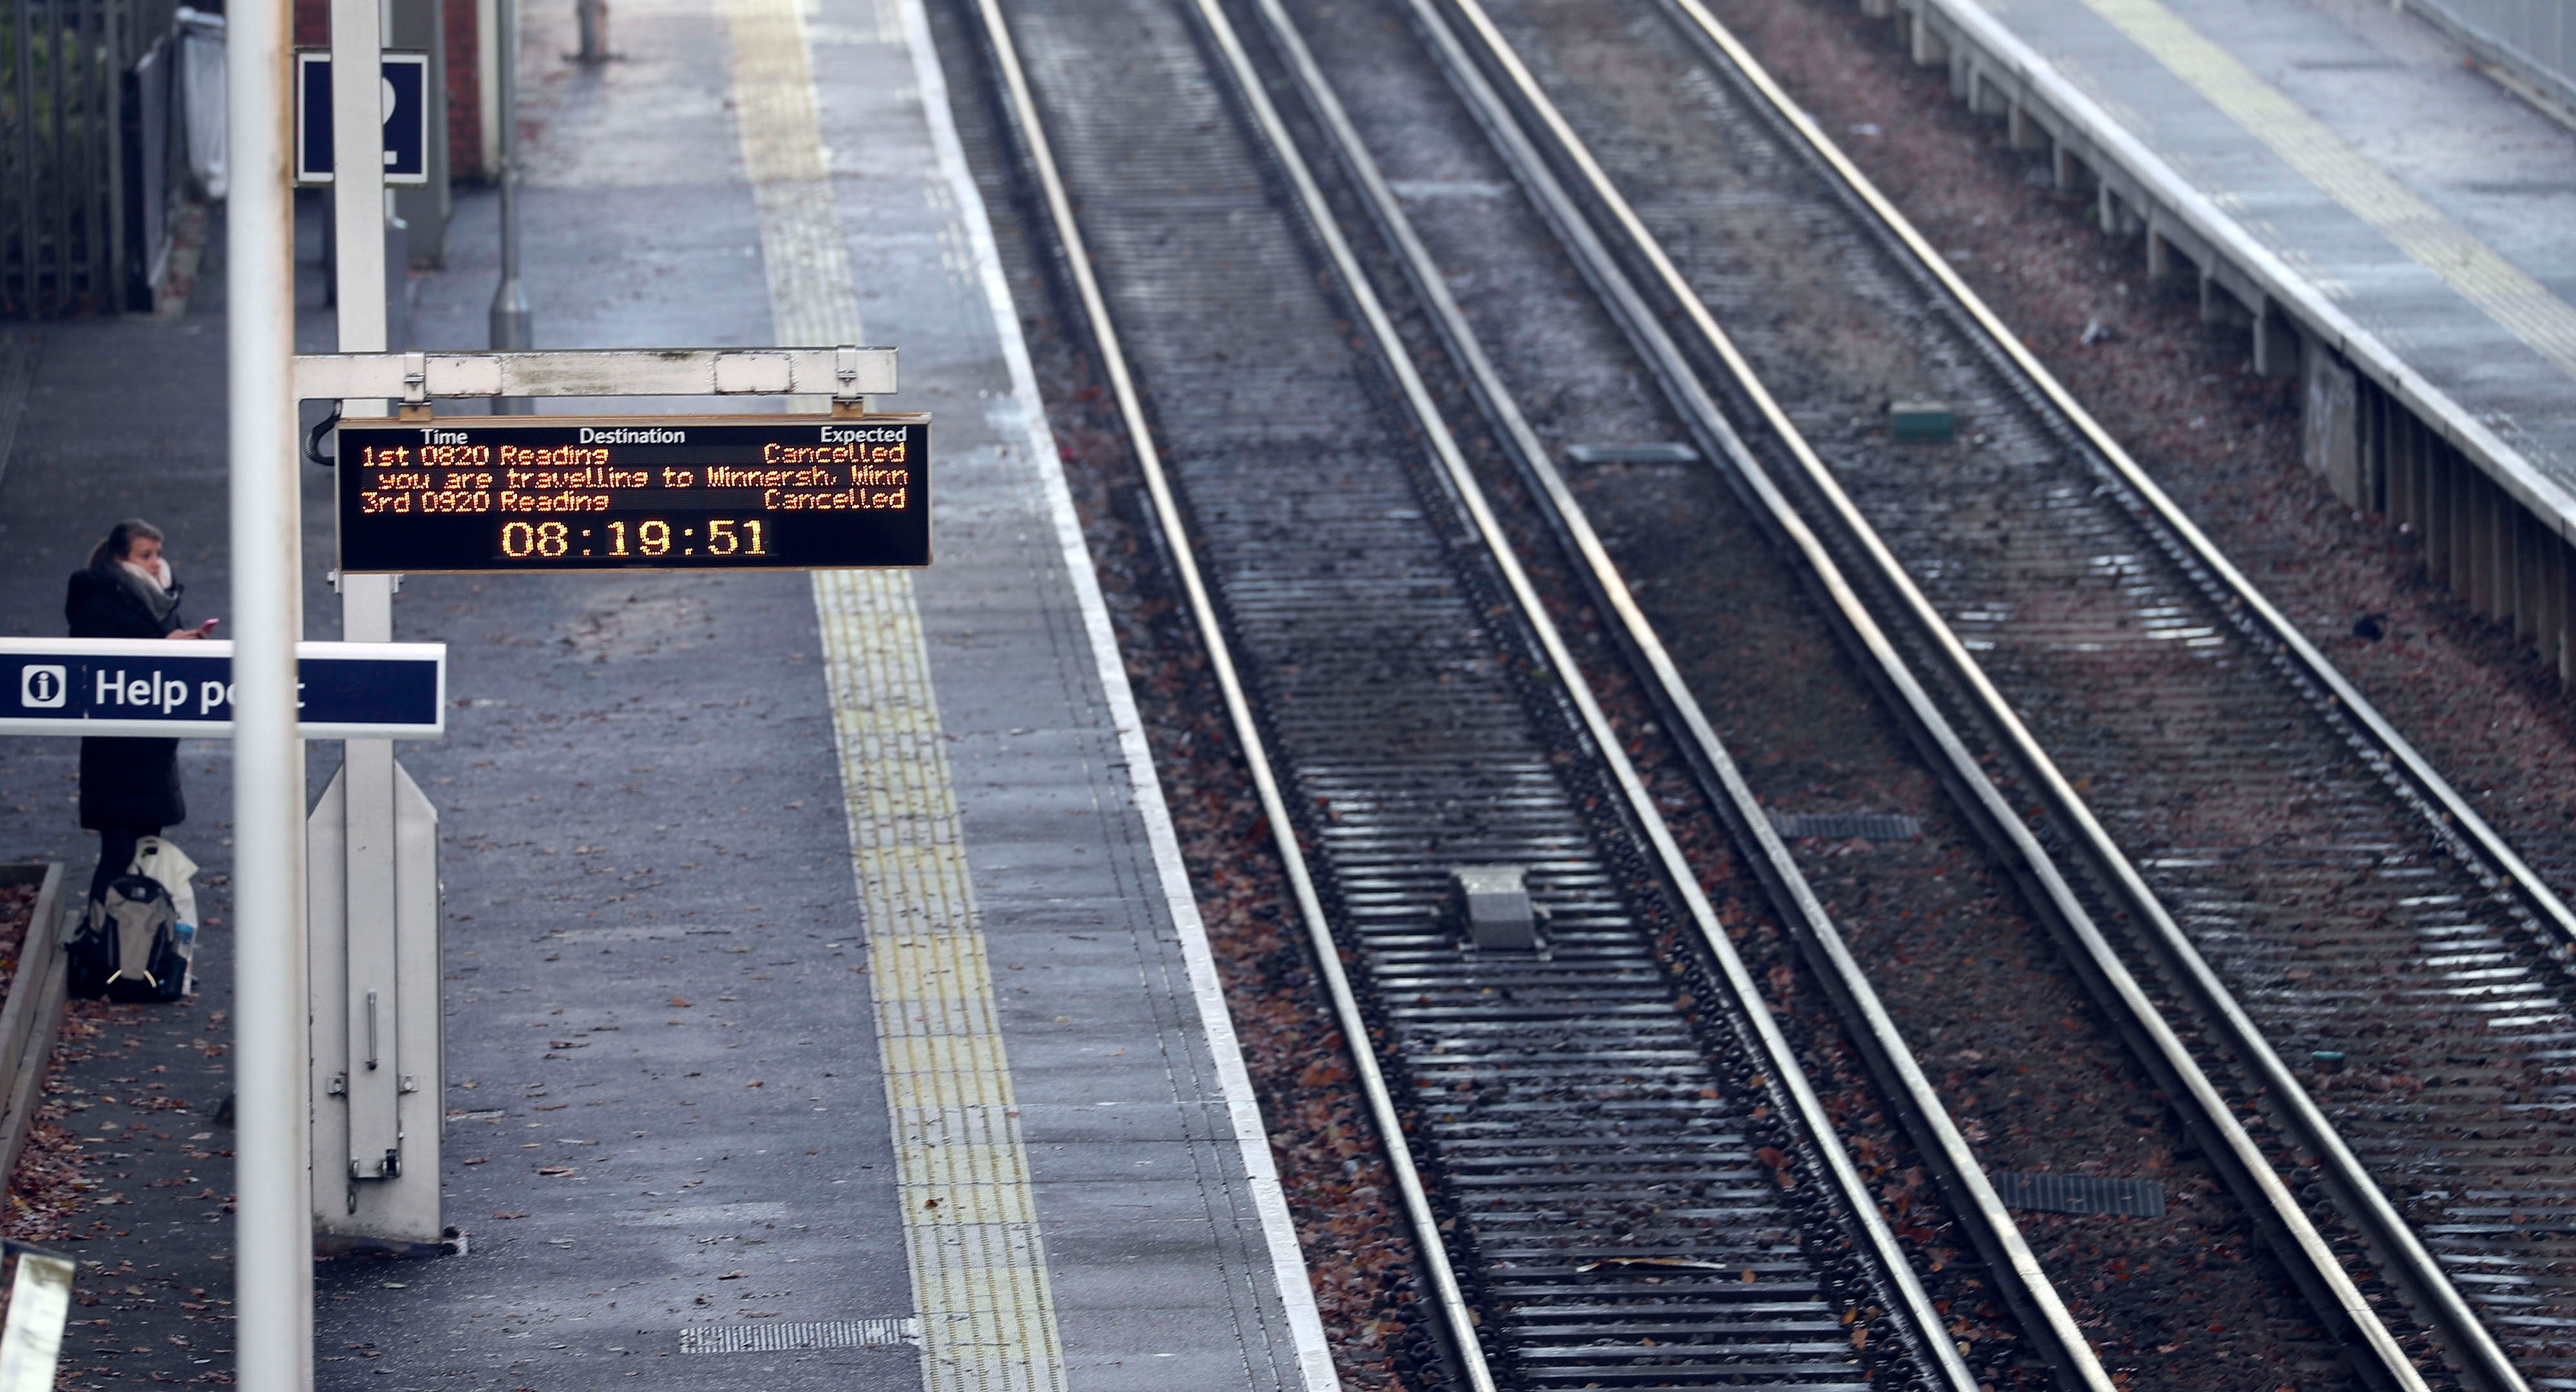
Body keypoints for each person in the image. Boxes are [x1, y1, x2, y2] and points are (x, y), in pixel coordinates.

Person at [65, 520, 216, 905]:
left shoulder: (159, 599)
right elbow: (96, 663)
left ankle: (135, 943)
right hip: (116, 751)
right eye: (145, 555)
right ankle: (101, 941)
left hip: (152, 748)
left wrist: (183, 643)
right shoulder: (99, 602)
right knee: (118, 854)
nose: (155, 563)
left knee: (146, 855)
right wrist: (162, 645)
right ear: (121, 558)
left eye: (157, 554)